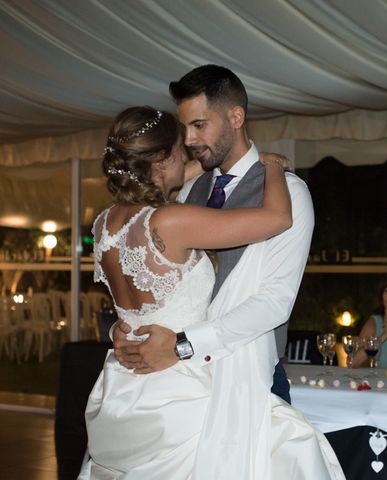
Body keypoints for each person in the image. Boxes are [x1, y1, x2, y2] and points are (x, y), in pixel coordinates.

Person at [79, 106, 343, 479]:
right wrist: (271, 167)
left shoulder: (105, 222)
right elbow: (278, 219)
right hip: (184, 382)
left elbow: (134, 307)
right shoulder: (170, 220)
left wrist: (116, 331)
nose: (189, 154)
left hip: (130, 381)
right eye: (180, 150)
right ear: (161, 160)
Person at [112, 65, 315, 405]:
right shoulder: (187, 188)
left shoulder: (289, 194)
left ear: (236, 117)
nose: (189, 140)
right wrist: (130, 330)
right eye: (185, 128)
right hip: (177, 380)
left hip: (251, 375)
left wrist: (182, 345)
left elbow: (276, 301)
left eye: (199, 125)